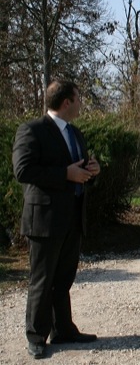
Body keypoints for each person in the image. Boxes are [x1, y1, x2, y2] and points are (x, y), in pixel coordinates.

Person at [12, 81, 101, 359]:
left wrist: (92, 171)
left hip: (72, 216)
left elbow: (79, 170)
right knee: (42, 279)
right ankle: (36, 336)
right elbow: (23, 170)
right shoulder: (32, 130)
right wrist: (65, 174)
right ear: (66, 102)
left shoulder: (75, 133)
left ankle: (63, 329)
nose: (80, 104)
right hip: (45, 219)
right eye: (78, 98)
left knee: (63, 278)